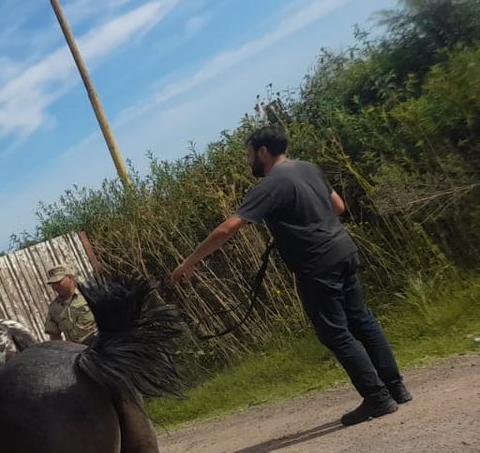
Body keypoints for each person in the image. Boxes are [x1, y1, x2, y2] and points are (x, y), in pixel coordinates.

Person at [171, 124, 410, 427]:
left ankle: (377, 398)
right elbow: (338, 207)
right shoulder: (309, 168)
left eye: (248, 155)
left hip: (318, 264)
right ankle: (397, 387)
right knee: (362, 320)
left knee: (335, 332)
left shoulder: (271, 185)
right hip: (344, 251)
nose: (248, 162)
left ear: (262, 151)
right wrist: (291, 232)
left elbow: (226, 229)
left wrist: (188, 262)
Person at [42, 264, 97, 344]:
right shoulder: (54, 308)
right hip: (78, 352)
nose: (55, 286)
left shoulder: (90, 296)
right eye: (52, 284)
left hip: (100, 346)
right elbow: (54, 336)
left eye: (58, 282)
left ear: (70, 278)